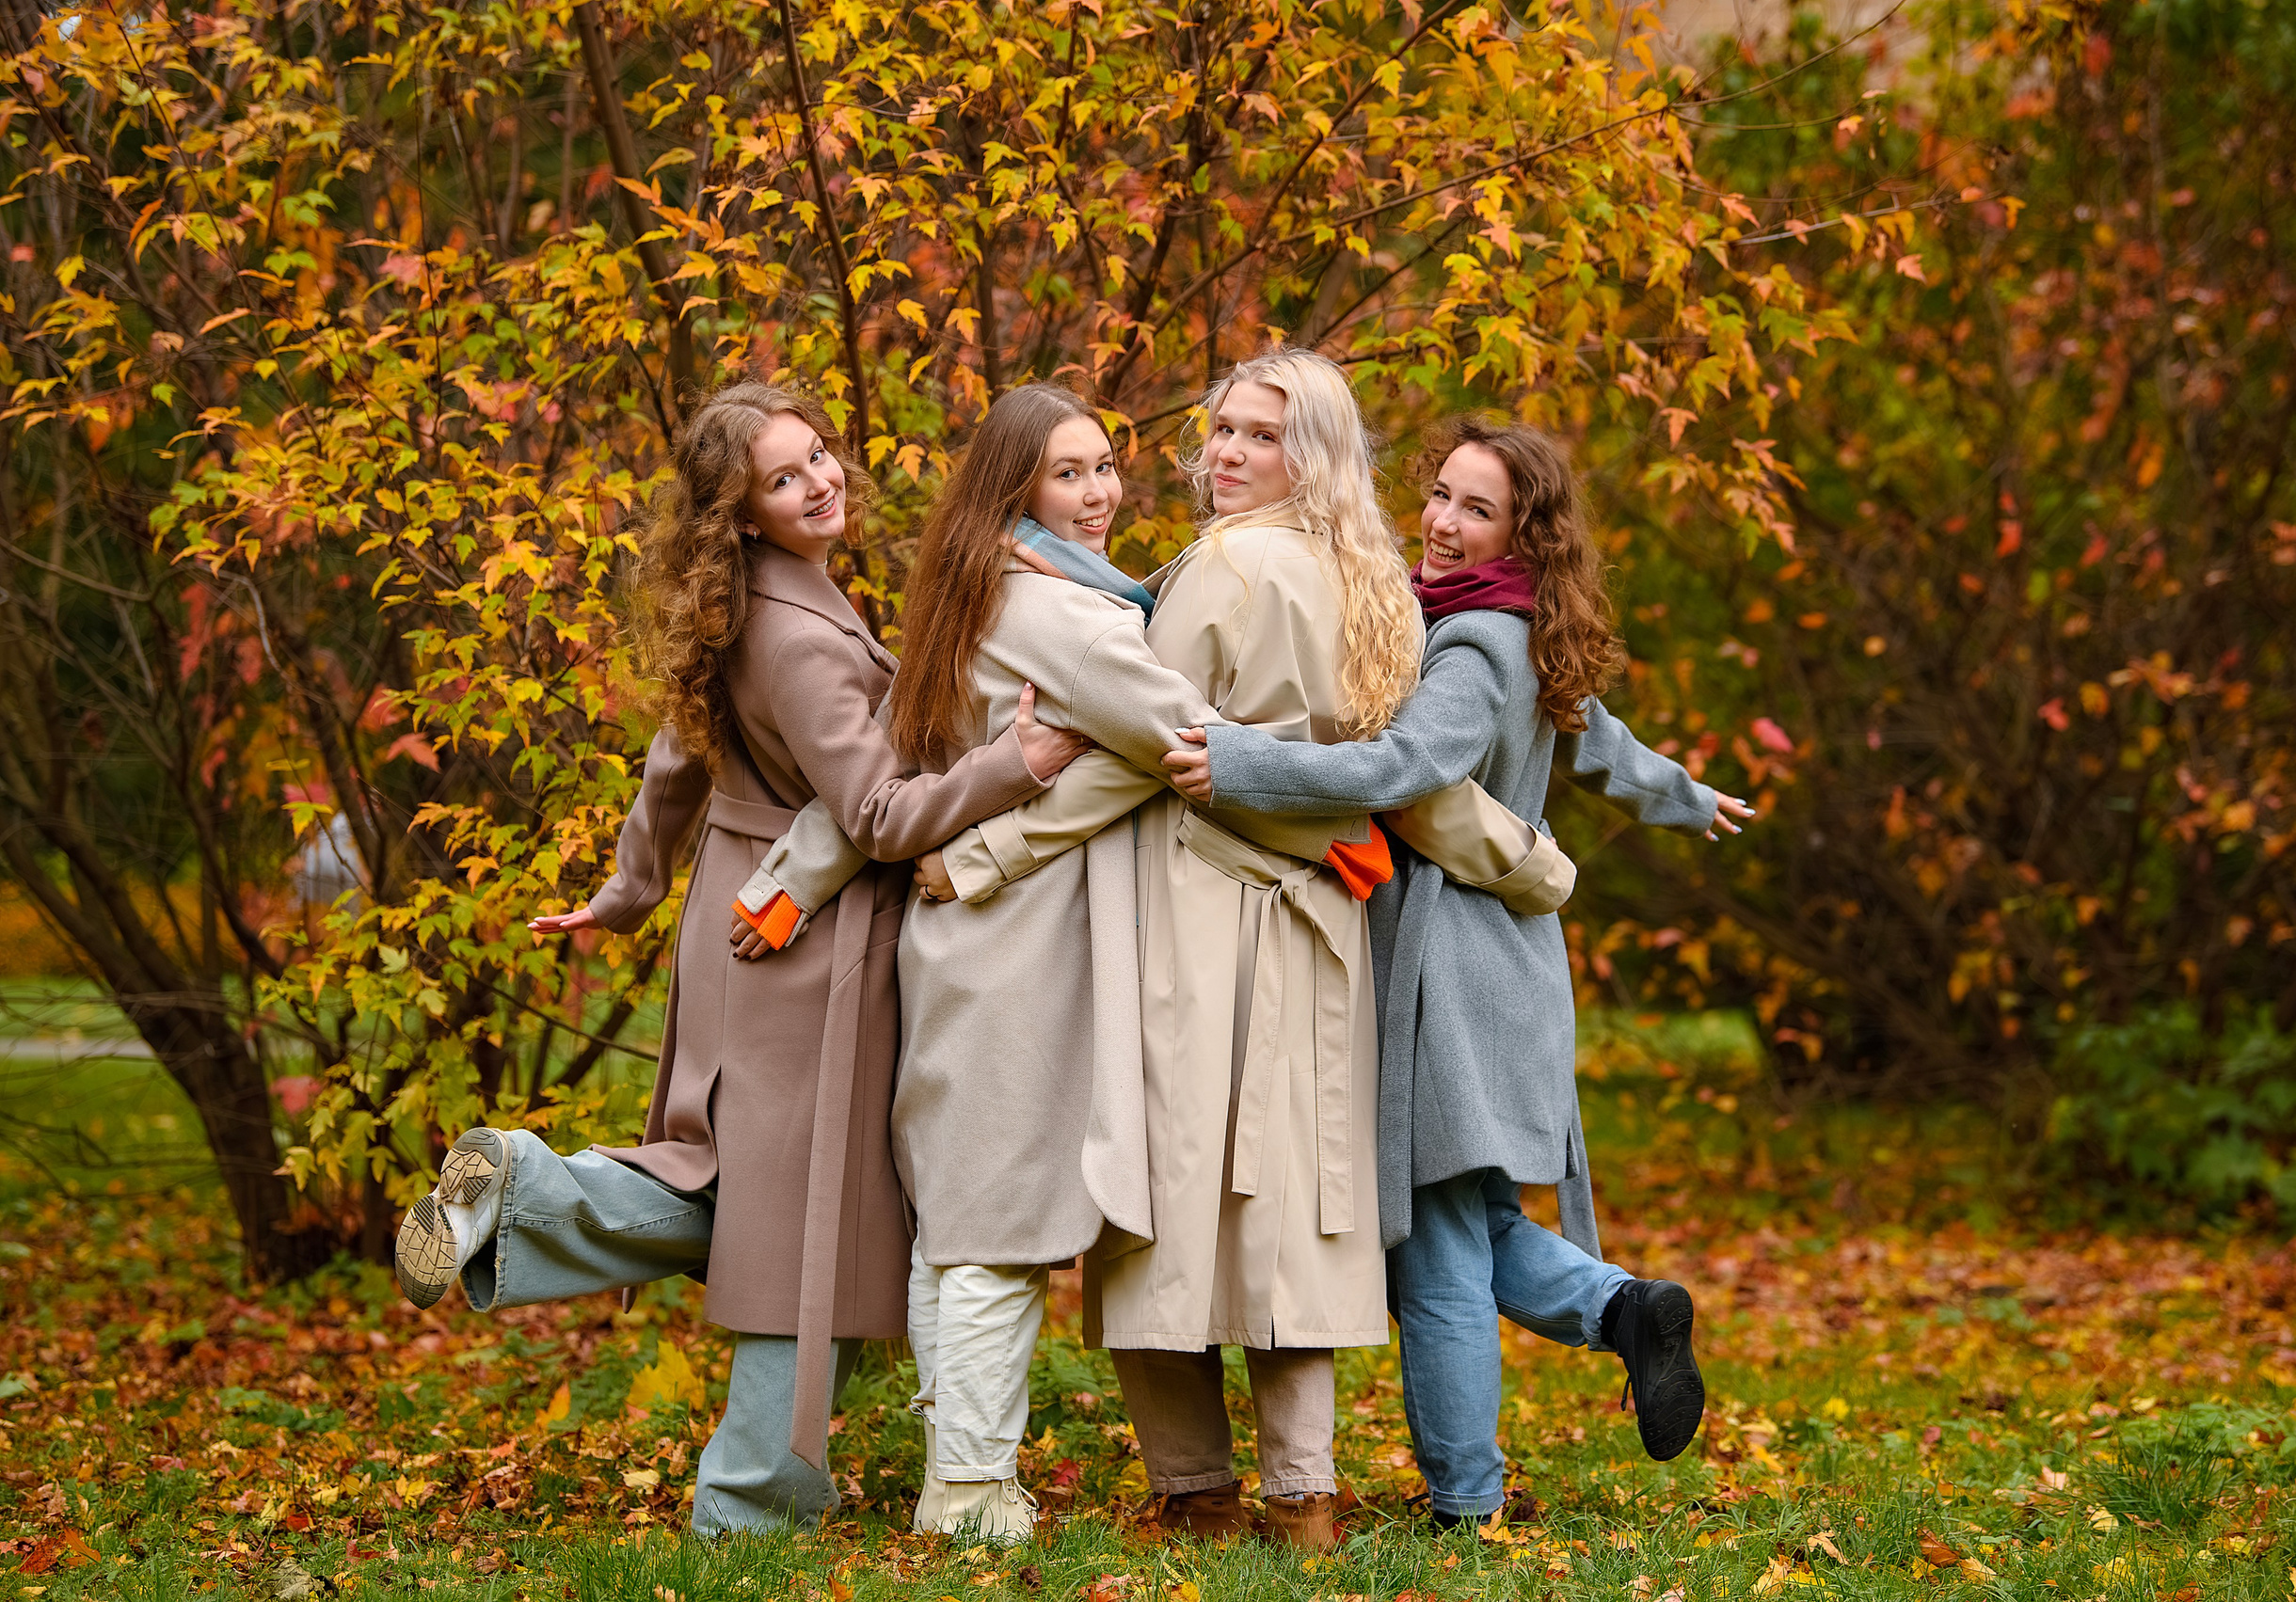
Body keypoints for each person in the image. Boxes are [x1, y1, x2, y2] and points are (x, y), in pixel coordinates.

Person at [741, 381, 1565, 1546]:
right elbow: (1383, 770)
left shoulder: (1202, 575)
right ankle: (1298, 1492)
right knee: (1293, 1208)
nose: (1221, 450)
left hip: (1199, 909)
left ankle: (1194, 1489)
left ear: (1310, 451)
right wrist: (1520, 859)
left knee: (1171, 1213)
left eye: (1259, 434)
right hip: (1313, 917)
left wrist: (960, 860)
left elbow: (1173, 755)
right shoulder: (1367, 576)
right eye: (1221, 427)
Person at [386, 381, 1090, 1537]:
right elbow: (876, 814)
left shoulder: (746, 602)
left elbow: (675, 759)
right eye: (783, 476)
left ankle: (527, 1195)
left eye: (817, 456)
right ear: (741, 512)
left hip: (737, 908)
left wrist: (630, 886)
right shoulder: (801, 635)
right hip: (810, 950)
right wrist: (1018, 759)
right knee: (800, 1214)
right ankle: (748, 1499)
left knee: (735, 1186)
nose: (819, 481)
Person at [1158, 416, 1749, 1525]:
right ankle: (1624, 1308)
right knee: (1471, 1222)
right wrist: (1684, 793)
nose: (1438, 520)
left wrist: (1238, 759)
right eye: (1437, 493)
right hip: (1496, 958)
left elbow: (1400, 763)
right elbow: (1599, 736)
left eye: (1475, 509)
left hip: (1445, 964)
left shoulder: (1473, 646)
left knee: (1431, 1248)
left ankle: (1466, 1501)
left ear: (1521, 536)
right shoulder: (1505, 626)